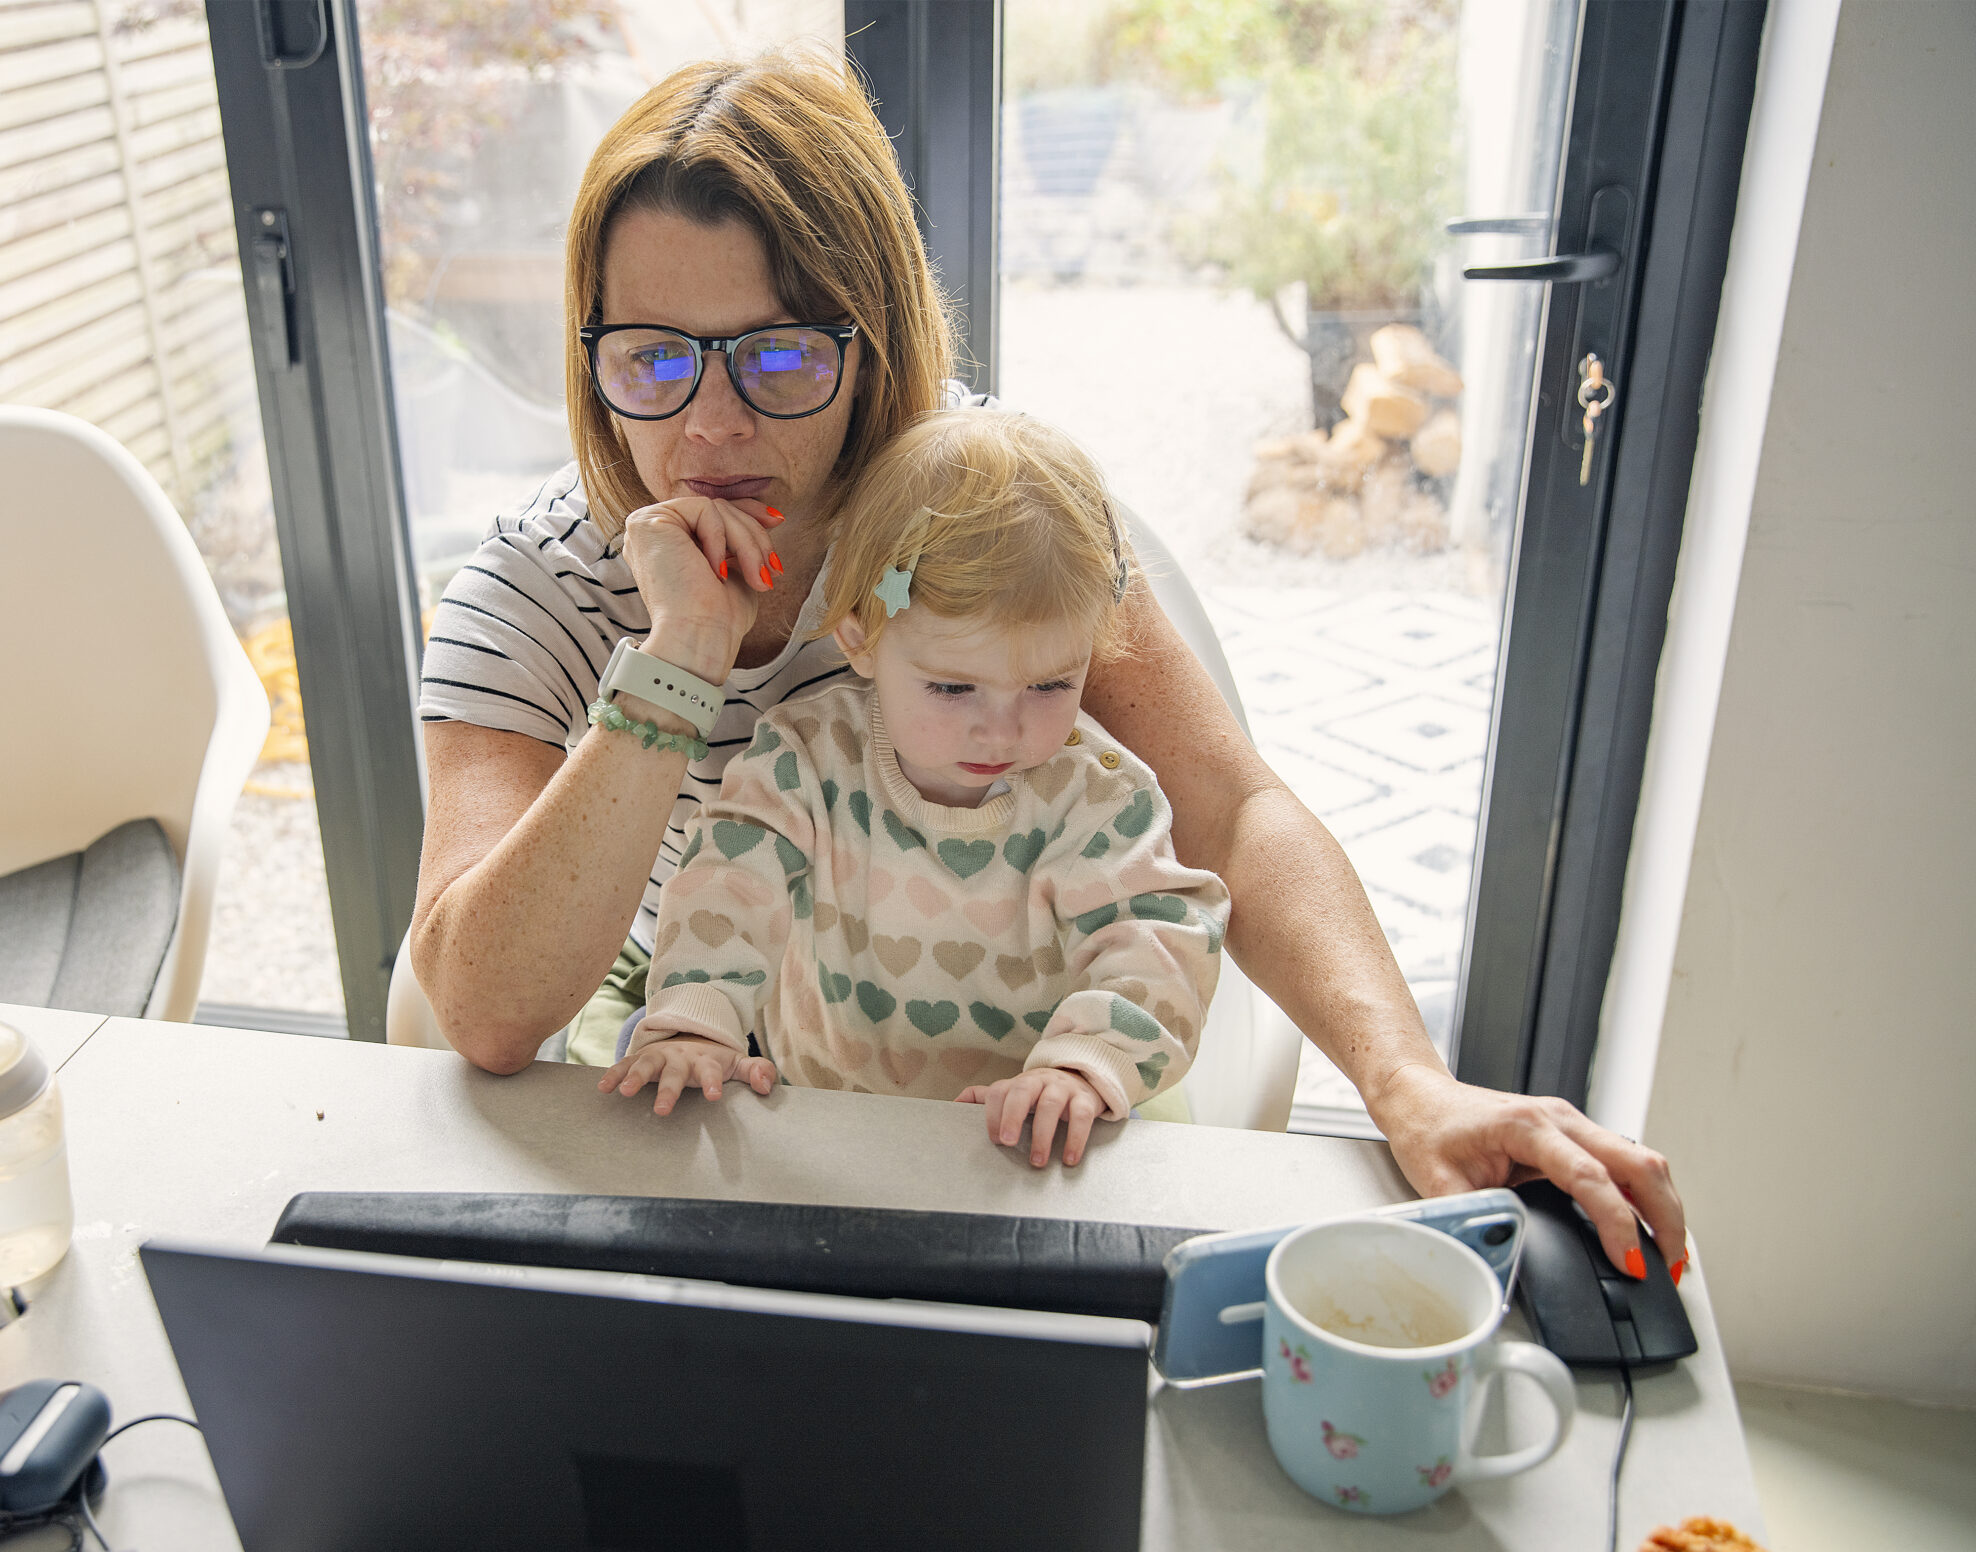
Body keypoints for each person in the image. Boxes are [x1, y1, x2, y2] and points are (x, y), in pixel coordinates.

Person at [409, 47, 1690, 1282]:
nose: (709, 424)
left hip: (998, 1072)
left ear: (875, 343)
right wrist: (680, 654)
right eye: (650, 358)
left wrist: (1408, 1081)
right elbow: (484, 1007)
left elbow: (1232, 813)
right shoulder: (529, 588)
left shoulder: (982, 508)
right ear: (592, 358)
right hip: (710, 1063)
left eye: (783, 354)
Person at [602, 409, 1227, 1171]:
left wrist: (1083, 1061)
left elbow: (1159, 936)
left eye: (1051, 683)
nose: (1001, 732)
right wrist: (701, 1016)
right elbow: (727, 883)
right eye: (954, 687)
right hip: (821, 1120)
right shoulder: (805, 759)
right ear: (861, 634)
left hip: (1021, 1141)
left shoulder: (1096, 797)